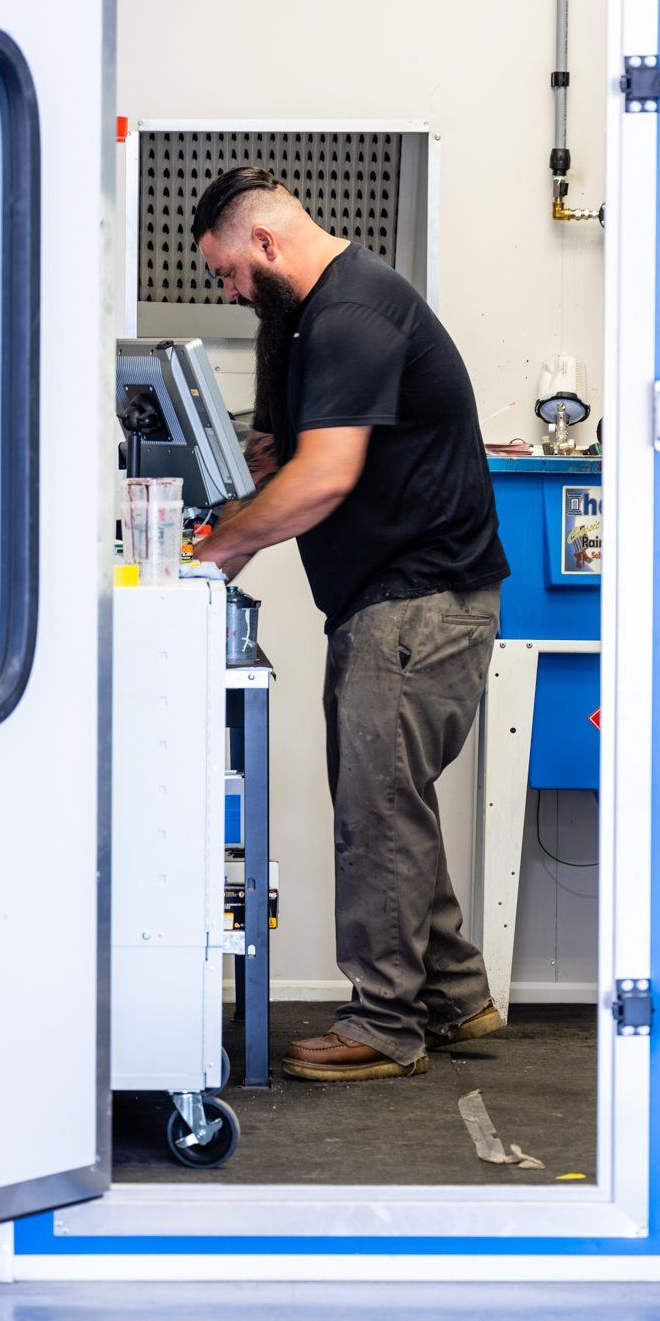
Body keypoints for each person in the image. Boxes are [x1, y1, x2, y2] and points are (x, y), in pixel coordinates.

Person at [192, 167, 510, 1082]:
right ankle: (456, 999)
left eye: (229, 275)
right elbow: (275, 461)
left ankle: (384, 1027)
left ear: (265, 244)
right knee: (393, 803)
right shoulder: (301, 320)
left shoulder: (352, 315)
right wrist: (215, 545)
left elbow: (323, 477)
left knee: (374, 812)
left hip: (418, 603)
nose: (230, 292)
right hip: (397, 600)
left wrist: (211, 558)